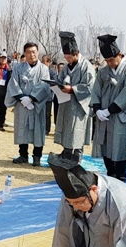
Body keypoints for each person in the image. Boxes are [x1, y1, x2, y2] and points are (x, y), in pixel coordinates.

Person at [91, 34, 126, 182]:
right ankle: (110, 174)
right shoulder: (104, 71)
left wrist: (110, 110)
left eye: (111, 59)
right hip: (103, 116)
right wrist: (98, 109)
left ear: (119, 55)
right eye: (106, 60)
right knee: (105, 144)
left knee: (119, 147)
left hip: (119, 116)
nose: (109, 63)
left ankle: (121, 177)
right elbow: (96, 90)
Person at [5, 42, 52, 166]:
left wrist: (31, 98)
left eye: (34, 52)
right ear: (25, 54)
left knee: (38, 130)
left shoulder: (44, 69)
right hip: (22, 105)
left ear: (38, 52)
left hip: (37, 105)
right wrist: (22, 98)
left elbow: (44, 86)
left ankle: (37, 156)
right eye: (29, 52)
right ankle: (23, 155)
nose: (32, 55)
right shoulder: (18, 68)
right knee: (22, 129)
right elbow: (13, 85)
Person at [53, 31, 95, 163]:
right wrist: (57, 85)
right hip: (66, 103)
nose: (67, 60)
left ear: (76, 54)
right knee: (66, 127)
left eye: (70, 57)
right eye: (65, 57)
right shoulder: (66, 67)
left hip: (79, 105)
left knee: (78, 130)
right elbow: (60, 79)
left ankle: (77, 154)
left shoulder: (86, 67)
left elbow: (90, 86)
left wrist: (72, 89)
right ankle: (66, 152)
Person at [42, 55, 57, 134]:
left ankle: (47, 129)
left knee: (47, 114)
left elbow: (53, 83)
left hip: (48, 97)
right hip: (40, 96)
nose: (43, 64)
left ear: (49, 63)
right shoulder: (40, 70)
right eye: (42, 62)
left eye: (45, 62)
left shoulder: (52, 72)